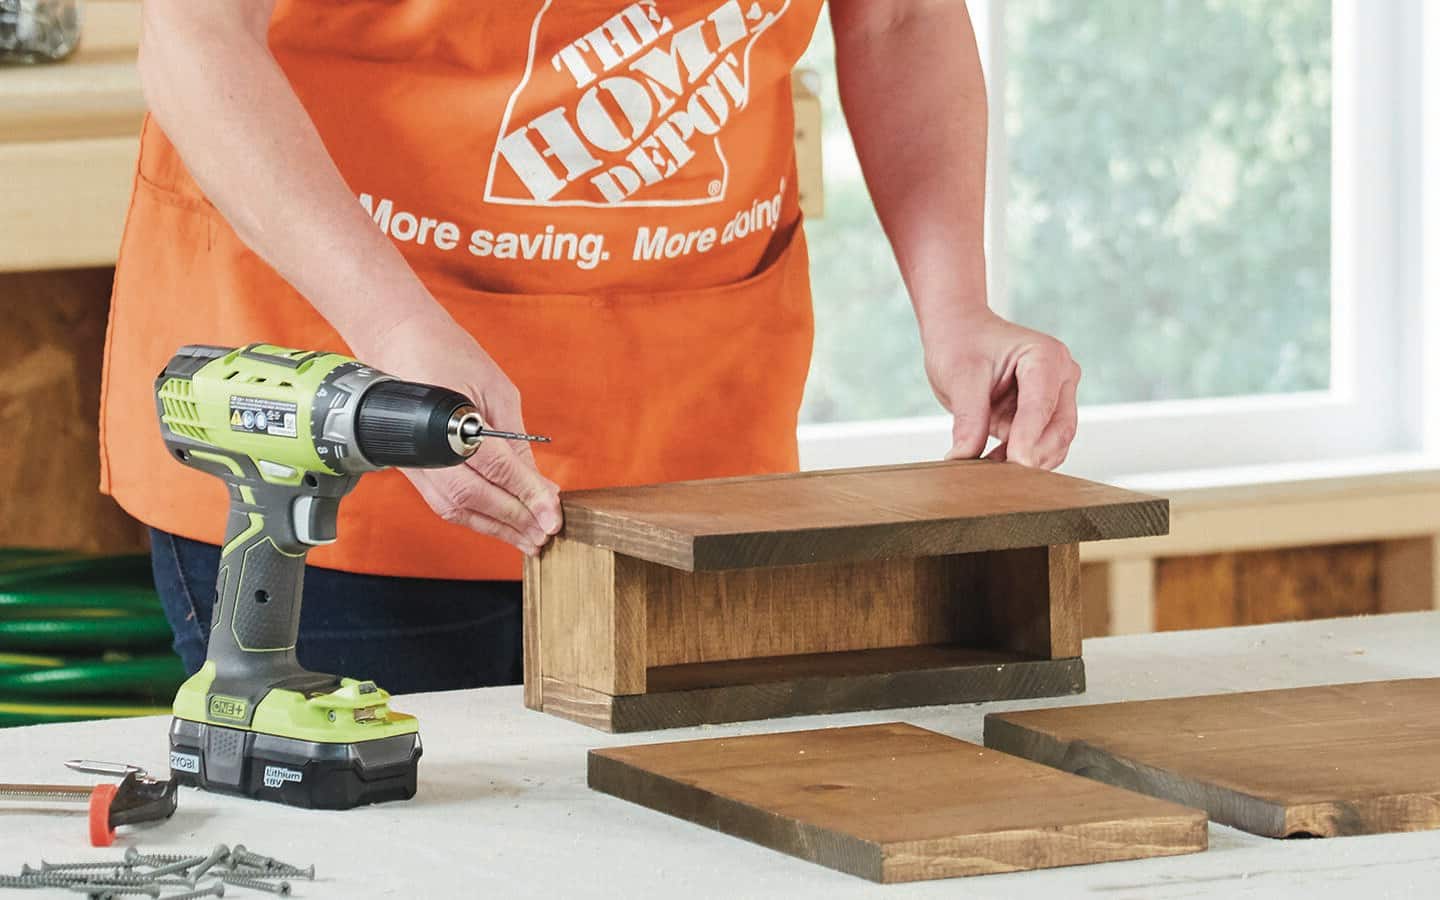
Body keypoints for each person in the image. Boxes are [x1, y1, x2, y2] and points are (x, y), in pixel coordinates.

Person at [100, 0, 1081, 694]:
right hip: (336, 396)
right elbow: (195, 29)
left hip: (693, 453)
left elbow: (899, 17)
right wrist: (394, 325)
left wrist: (958, 308)